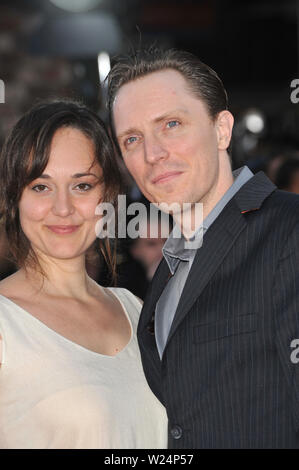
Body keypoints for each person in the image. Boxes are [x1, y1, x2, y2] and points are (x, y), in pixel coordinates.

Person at [107, 47, 299, 448]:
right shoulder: (167, 274)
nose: (152, 153)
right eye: (132, 138)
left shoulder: (288, 230)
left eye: (172, 124)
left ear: (221, 130)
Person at [0, 99, 167, 449]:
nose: (63, 208)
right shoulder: (5, 323)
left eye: (82, 186)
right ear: (15, 198)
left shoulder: (137, 309)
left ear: (108, 195)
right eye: (41, 186)